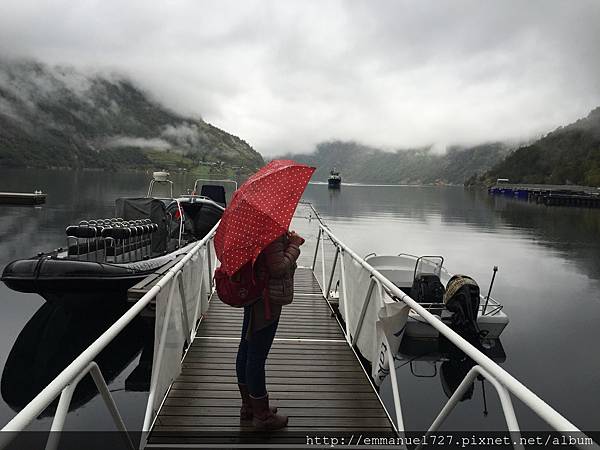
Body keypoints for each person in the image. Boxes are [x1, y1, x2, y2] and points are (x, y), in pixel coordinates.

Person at [235, 230, 305, 430]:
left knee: (246, 349)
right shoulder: (270, 229)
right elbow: (278, 268)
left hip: (253, 293)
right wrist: (294, 245)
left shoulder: (253, 225)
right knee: (256, 356)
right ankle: (262, 415)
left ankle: (249, 405)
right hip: (266, 302)